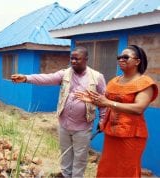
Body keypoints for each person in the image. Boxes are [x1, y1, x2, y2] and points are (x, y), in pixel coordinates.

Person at [11, 47, 107, 178]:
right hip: (64, 124)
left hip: (83, 127)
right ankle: (66, 175)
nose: (73, 61)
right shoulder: (65, 73)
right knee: (65, 153)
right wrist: (27, 78)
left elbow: (103, 101)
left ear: (85, 59)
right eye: (71, 58)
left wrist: (103, 119)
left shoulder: (97, 77)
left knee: (80, 156)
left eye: (77, 59)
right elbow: (47, 78)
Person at [75, 45, 158, 177]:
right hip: (112, 133)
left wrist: (107, 102)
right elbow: (106, 103)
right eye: (119, 57)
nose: (121, 60)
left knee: (126, 170)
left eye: (125, 57)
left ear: (137, 61)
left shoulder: (145, 83)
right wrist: (94, 100)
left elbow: (138, 108)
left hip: (131, 136)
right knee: (107, 168)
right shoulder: (114, 81)